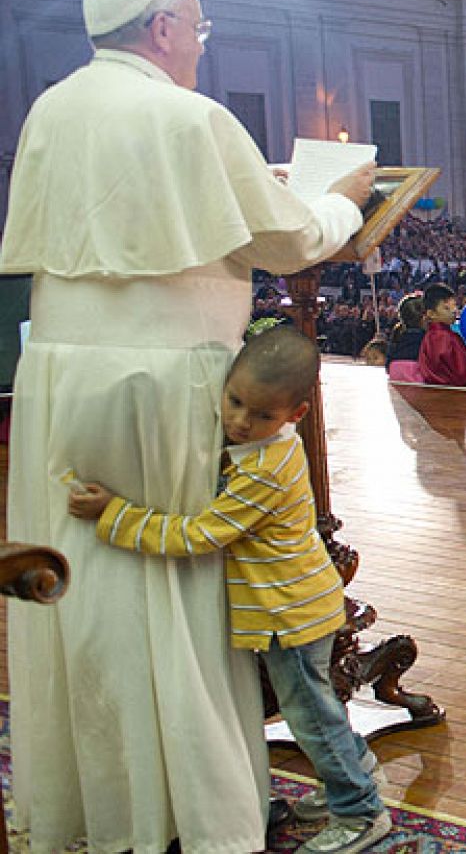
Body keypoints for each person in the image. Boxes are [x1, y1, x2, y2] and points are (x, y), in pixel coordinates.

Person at [0, 0, 374, 851]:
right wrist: (340, 201)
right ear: (163, 27)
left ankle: (102, 805)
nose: (200, 50)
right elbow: (287, 238)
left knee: (86, 589)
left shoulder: (52, 107)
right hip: (162, 382)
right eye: (198, 33)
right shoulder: (191, 116)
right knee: (171, 586)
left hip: (59, 376)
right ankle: (196, 810)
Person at [64, 329, 392, 853]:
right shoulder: (265, 449)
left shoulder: (265, 470)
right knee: (316, 706)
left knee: (308, 713)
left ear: (296, 414)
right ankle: (357, 768)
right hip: (297, 603)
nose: (240, 421)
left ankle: (360, 810)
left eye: (260, 415)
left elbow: (200, 535)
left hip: (291, 614)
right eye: (234, 401)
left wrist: (114, 514)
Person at [417, 282, 466, 387]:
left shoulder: (429, 336)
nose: (454, 311)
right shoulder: (445, 337)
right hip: (454, 395)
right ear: (431, 314)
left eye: (455, 306)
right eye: (446, 308)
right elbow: (465, 374)